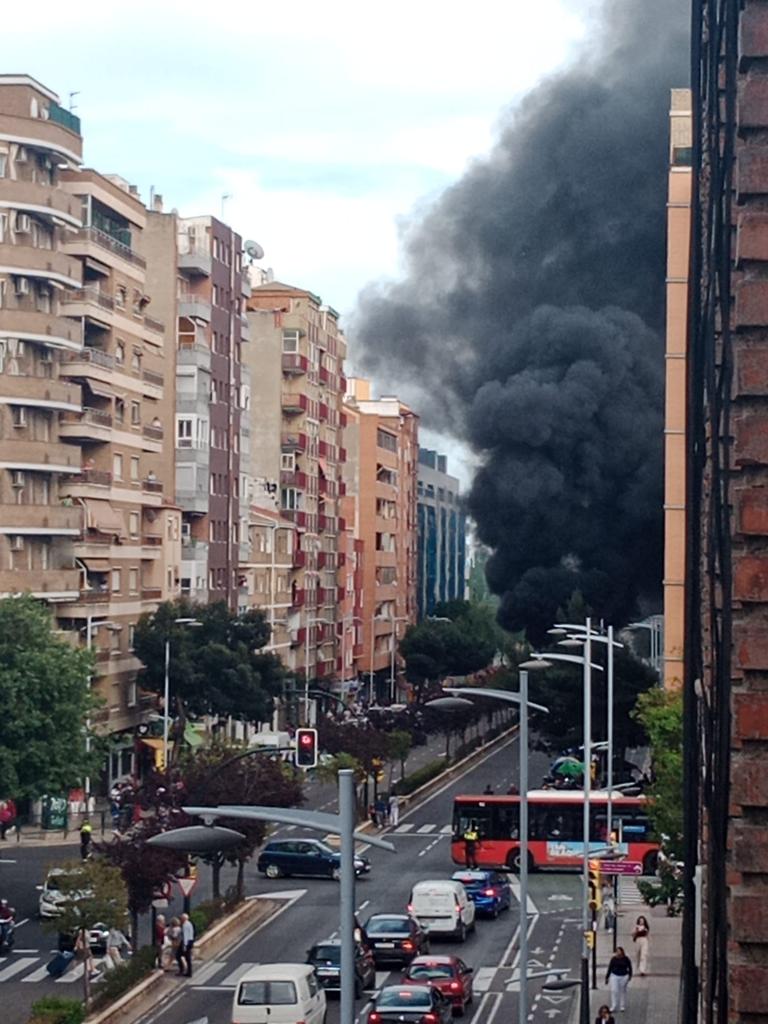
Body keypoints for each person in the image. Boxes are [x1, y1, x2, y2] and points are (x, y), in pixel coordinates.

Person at [605, 946, 633, 1012]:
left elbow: (630, 967)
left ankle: (622, 1006)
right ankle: (614, 1005)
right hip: (615, 975)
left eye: (619, 951)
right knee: (614, 990)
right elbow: (610, 968)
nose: (618, 953)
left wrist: (630, 975)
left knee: (622, 991)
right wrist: (607, 977)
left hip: (624, 976)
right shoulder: (613, 959)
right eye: (617, 951)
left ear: (622, 952)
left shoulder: (626, 959)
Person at [179, 912, 195, 977]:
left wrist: (184, 945)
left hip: (187, 942)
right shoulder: (189, 923)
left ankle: (184, 970)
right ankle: (188, 971)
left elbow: (185, 935)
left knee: (180, 956)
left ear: (183, 919)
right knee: (187, 958)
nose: (180, 920)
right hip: (190, 941)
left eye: (181, 918)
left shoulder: (185, 925)